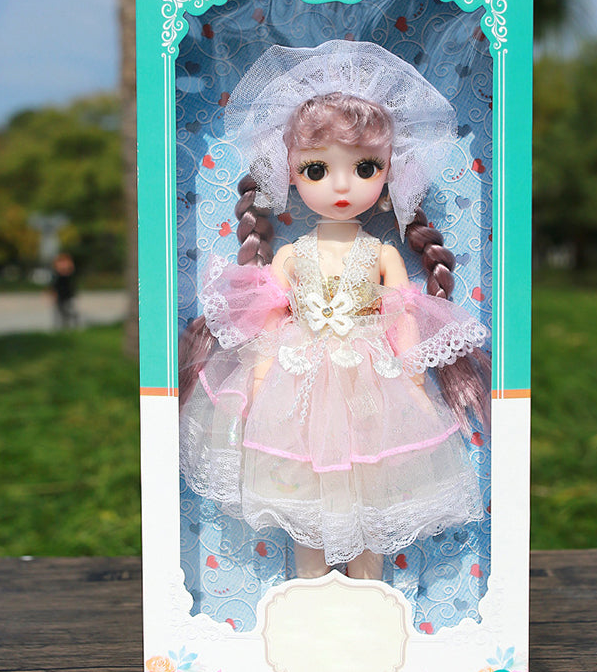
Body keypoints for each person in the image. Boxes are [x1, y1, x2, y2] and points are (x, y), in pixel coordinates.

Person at [179, 40, 489, 580]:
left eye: (365, 167)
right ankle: (309, 595)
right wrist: (259, 381)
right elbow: (268, 323)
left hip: (372, 384)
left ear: (391, 173)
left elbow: (404, 318)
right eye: (317, 169)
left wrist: (415, 381)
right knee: (307, 501)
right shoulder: (290, 256)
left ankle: (371, 597)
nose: (342, 185)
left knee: (371, 497)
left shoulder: (383, 254)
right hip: (297, 384)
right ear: (289, 172)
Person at [51, 252, 78, 329]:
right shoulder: (57, 275)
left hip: (67, 294)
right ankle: (61, 326)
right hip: (60, 294)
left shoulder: (68, 275)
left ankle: (68, 324)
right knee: (59, 311)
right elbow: (54, 285)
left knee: (66, 310)